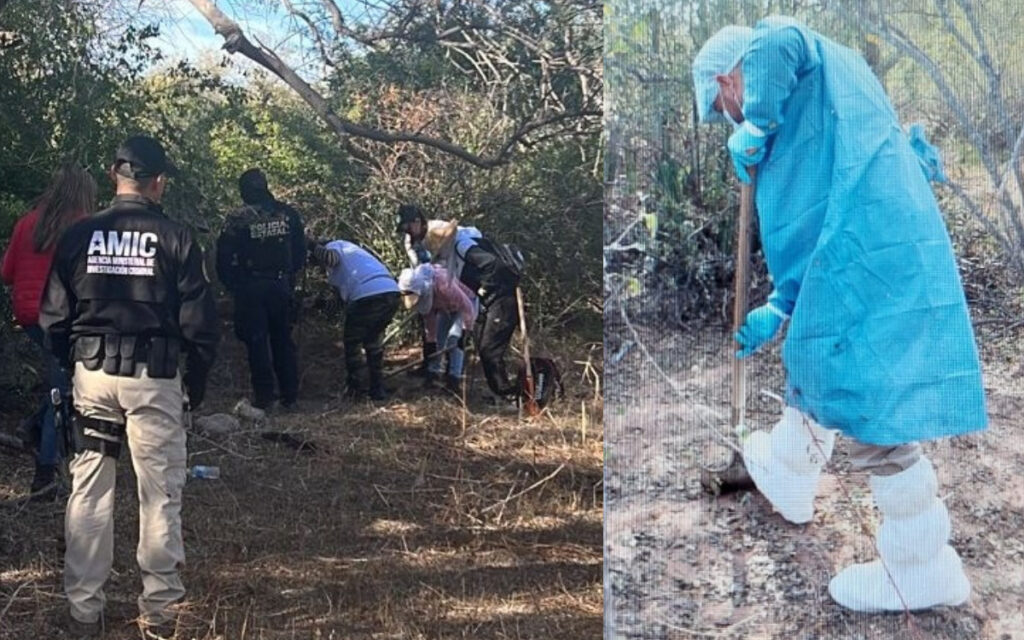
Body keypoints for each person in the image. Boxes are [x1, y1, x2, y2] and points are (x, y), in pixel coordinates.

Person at [693, 16, 987, 612]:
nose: (727, 121)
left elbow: (779, 35)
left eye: (722, 109)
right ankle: (791, 475)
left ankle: (921, 567)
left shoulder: (792, 64)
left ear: (728, 82)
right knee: (816, 352)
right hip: (862, 250)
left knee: (870, 403)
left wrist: (756, 121)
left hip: (872, 255)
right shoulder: (811, 114)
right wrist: (781, 307)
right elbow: (811, 227)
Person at [39, 135, 219, 637]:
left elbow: (53, 317)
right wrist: (194, 384)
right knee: (160, 492)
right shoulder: (177, 238)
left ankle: (84, 610)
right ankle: (160, 612)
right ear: (158, 182)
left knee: (89, 490)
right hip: (153, 379)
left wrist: (71, 366)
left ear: (113, 176)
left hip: (93, 377)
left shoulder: (78, 235)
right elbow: (201, 327)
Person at [2, 161, 96, 501]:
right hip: (62, 318)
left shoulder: (28, 222)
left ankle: (34, 428)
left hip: (29, 316)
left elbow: (7, 273)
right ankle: (45, 473)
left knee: (63, 383)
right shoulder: (84, 227)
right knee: (64, 391)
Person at [216, 169, 306, 411]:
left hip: (250, 286)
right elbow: (300, 251)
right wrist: (289, 277)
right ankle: (290, 396)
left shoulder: (237, 218)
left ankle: (266, 398)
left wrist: (232, 285)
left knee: (257, 342)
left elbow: (223, 257)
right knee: (282, 340)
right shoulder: (287, 214)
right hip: (281, 285)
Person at [422, 220, 521, 403]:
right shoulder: (457, 251)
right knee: (483, 345)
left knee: (489, 349)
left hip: (501, 299)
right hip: (491, 301)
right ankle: (501, 394)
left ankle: (508, 396)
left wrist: (485, 289)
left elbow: (492, 265)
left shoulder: (463, 246)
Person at [308, 238, 400, 400]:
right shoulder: (353, 257)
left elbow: (331, 258)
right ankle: (377, 389)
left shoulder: (335, 246)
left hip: (367, 295)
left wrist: (310, 244)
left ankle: (356, 389)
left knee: (353, 343)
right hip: (390, 292)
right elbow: (339, 303)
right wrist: (317, 304)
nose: (320, 267)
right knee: (373, 342)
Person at [397, 263, 477, 392]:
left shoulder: (443, 285)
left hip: (465, 305)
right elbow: (430, 321)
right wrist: (431, 342)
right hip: (446, 308)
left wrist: (466, 330)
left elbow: (467, 307)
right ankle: (433, 373)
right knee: (439, 340)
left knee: (454, 340)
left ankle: (454, 379)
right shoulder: (423, 295)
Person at [395, 203, 436, 377]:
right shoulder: (409, 241)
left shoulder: (435, 231)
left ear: (417, 221)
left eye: (408, 227)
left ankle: (442, 370)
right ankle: (429, 366)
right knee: (427, 327)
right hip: (424, 285)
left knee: (443, 327)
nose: (407, 232)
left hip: (444, 283)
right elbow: (416, 264)